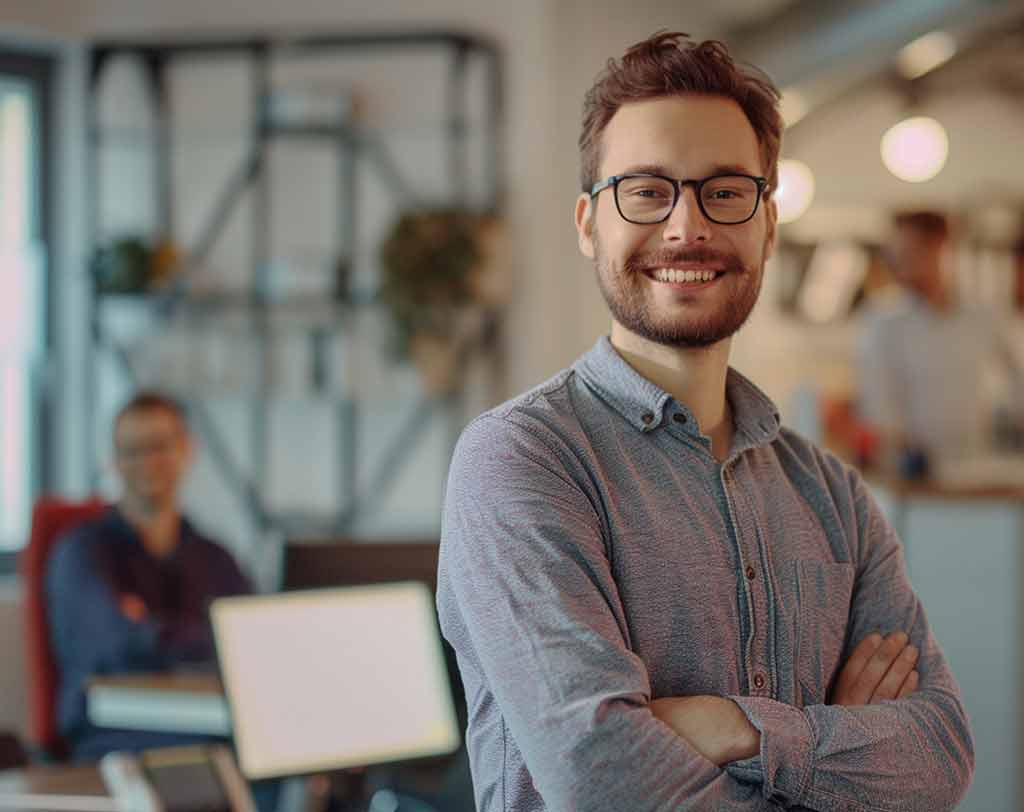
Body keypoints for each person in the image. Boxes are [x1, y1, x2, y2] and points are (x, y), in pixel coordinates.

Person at [436, 32, 974, 812]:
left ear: (767, 224)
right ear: (589, 223)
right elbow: (601, 778)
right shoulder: (520, 461)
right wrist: (827, 748)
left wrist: (736, 729)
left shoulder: (835, 499)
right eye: (647, 191)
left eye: (724, 191)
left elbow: (942, 754)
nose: (686, 227)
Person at [47, 391, 251, 761]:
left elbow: (248, 642)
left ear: (186, 450)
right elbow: (116, 645)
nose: (147, 462)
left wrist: (154, 631)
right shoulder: (82, 552)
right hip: (111, 733)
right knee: (245, 755)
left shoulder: (215, 557)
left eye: (159, 445)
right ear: (114, 462)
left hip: (207, 720)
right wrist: (206, 638)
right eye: (131, 450)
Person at [857, 211, 1024, 469]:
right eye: (897, 256)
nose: (901, 265)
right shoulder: (883, 322)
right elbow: (878, 404)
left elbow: (1016, 377)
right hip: (912, 475)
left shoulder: (984, 316)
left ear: (940, 248)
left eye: (910, 254)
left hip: (976, 467)